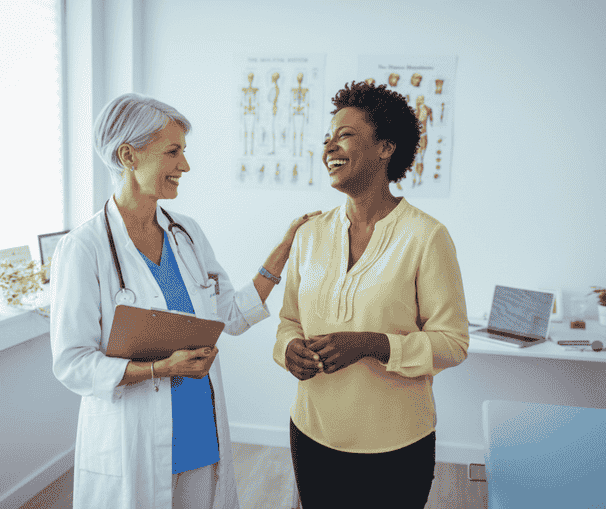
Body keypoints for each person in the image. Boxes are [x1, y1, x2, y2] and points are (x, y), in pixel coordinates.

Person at [50, 92, 320, 509]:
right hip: (134, 438)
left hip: (198, 427)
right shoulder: (84, 248)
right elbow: (72, 363)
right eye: (173, 152)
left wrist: (284, 247)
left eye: (184, 152)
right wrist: (161, 368)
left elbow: (230, 314)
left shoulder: (186, 233)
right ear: (128, 155)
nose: (185, 166)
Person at [273, 81, 469, 508]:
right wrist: (288, 348)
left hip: (397, 445)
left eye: (344, 135)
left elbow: (452, 344)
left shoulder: (427, 237)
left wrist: (371, 345)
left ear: (385, 147)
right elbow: (289, 320)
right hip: (312, 432)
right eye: (327, 138)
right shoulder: (309, 234)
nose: (330, 147)